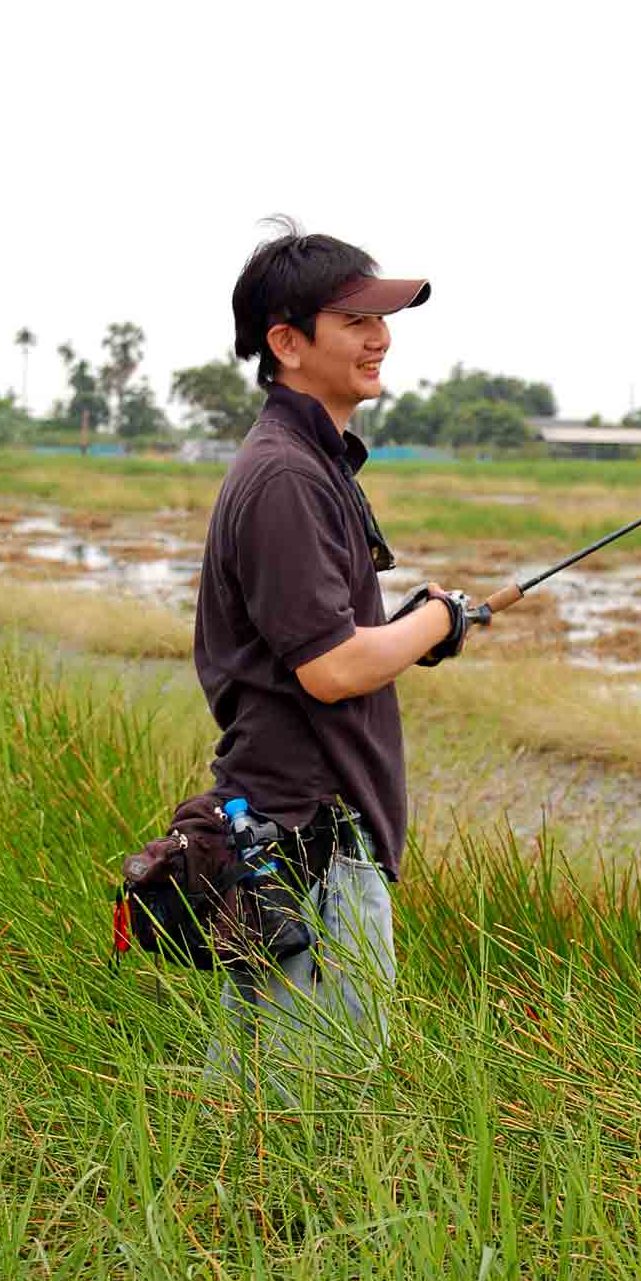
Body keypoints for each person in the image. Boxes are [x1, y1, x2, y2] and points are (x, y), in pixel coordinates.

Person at [194, 219, 468, 1100]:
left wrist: (426, 623)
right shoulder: (284, 475)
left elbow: (327, 647)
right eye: (354, 321)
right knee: (317, 1104)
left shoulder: (311, 462)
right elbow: (333, 668)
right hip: (311, 830)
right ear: (286, 341)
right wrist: (436, 621)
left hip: (300, 822)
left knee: (268, 1093)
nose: (380, 338)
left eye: (381, 321)